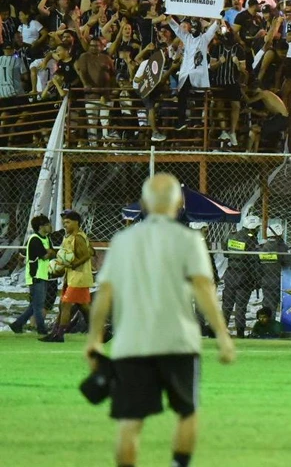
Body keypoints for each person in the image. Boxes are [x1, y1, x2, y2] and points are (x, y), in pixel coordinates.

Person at [84, 173, 236, 467]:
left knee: (130, 421)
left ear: (143, 203)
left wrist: (93, 340)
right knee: (187, 412)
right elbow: (204, 288)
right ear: (179, 204)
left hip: (132, 343)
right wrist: (222, 335)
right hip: (178, 341)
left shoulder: (123, 240)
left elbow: (104, 292)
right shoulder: (189, 239)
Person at [41, 209, 94, 343]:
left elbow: (87, 254)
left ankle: (58, 335)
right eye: (64, 222)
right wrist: (60, 265)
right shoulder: (68, 237)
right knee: (82, 307)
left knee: (65, 304)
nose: (65, 224)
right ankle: (102, 331)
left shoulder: (78, 237)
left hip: (79, 277)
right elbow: (90, 251)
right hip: (71, 277)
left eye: (68, 222)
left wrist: (72, 264)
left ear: (76, 222)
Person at [9, 214, 57, 335]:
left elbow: (52, 253)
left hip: (44, 275)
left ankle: (17, 324)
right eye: (47, 224)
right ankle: (42, 329)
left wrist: (49, 252)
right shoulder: (34, 239)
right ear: (41, 227)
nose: (50, 227)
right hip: (36, 276)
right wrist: (49, 252)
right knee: (39, 305)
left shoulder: (47, 238)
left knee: (35, 304)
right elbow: (45, 255)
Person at [221, 215, 260, 339]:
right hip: (245, 276)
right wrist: (256, 280)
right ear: (253, 228)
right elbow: (254, 261)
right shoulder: (251, 239)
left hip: (230, 274)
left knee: (226, 306)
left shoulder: (232, 235)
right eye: (257, 228)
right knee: (241, 308)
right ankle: (240, 334)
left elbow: (225, 252)